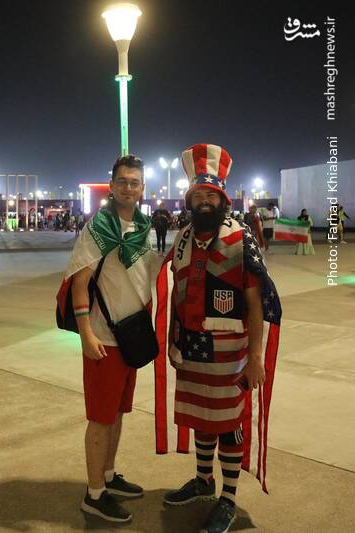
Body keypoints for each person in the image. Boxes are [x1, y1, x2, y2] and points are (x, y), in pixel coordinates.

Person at [155, 144, 282, 533]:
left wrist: (255, 358)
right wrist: (173, 340)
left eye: (211, 195)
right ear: (190, 200)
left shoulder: (241, 238)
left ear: (222, 199)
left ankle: (227, 498)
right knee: (201, 418)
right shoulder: (182, 238)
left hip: (231, 354)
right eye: (199, 196)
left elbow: (255, 301)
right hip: (192, 348)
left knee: (228, 425)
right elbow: (175, 293)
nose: (205, 201)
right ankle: (203, 480)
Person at [57, 155, 159, 523]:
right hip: (104, 338)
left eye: (135, 182)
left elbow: (145, 276)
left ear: (142, 188)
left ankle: (110, 475)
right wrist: (85, 334)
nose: (128, 188)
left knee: (117, 413)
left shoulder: (143, 227)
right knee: (101, 419)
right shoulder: (98, 228)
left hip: (132, 335)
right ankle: (94, 494)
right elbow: (80, 283)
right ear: (112, 186)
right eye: (123, 181)